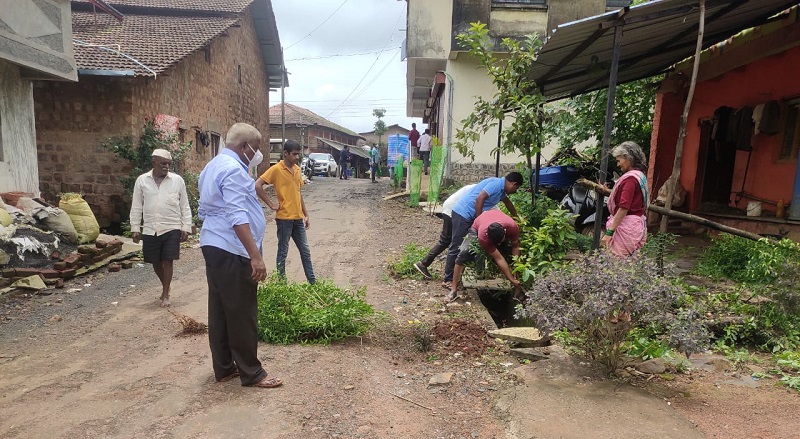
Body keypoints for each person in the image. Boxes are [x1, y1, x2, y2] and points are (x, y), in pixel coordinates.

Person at [198, 122, 282, 388]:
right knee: (242, 311)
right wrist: (255, 256)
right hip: (231, 247)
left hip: (214, 243)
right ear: (245, 146)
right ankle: (252, 372)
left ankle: (224, 367)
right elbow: (237, 215)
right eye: (256, 147)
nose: (257, 153)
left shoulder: (212, 166)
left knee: (221, 309)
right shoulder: (233, 170)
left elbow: (207, 208)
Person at [129, 148, 192, 308]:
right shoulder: (142, 181)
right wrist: (135, 227)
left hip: (172, 226)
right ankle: (166, 285)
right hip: (150, 227)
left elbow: (185, 205)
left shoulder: (177, 181)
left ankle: (165, 293)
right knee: (155, 261)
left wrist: (185, 226)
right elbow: (136, 205)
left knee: (168, 260)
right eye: (163, 163)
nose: (166, 167)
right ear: (154, 163)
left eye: (169, 164)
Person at [443, 172, 523, 290]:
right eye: (516, 188)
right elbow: (480, 198)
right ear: (513, 183)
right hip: (463, 213)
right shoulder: (496, 184)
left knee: (470, 247)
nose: (515, 191)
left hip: (470, 215)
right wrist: (480, 218)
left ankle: (469, 275)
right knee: (457, 246)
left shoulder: (501, 190)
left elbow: (508, 203)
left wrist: (517, 218)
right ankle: (448, 280)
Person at [256, 140, 316, 284]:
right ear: (285, 153)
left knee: (305, 251)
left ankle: (313, 283)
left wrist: (306, 214)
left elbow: (298, 193)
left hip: (298, 218)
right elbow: (257, 185)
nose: (297, 157)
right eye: (294, 154)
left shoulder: (297, 170)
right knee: (283, 252)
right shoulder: (276, 169)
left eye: (298, 154)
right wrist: (271, 204)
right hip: (284, 219)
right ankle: (282, 284)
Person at [445, 209, 522, 303]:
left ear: (505, 231)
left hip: (495, 219)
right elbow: (499, 259)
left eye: (500, 241)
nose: (498, 244)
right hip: (478, 225)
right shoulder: (483, 236)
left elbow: (515, 246)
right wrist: (511, 279)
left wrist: (516, 268)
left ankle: (518, 291)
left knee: (515, 260)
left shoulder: (512, 227)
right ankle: (453, 290)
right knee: (463, 254)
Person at [413, 183, 476, 280]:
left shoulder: (479, 187)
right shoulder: (483, 191)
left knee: (446, 240)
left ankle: (424, 263)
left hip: (450, 208)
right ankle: (444, 274)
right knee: (451, 242)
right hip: (453, 210)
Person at [598, 141, 650, 257]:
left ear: (628, 158)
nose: (618, 165)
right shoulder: (639, 176)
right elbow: (630, 198)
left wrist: (609, 233)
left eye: (619, 160)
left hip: (626, 227)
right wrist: (607, 191)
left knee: (617, 263)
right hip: (636, 225)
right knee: (628, 263)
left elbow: (624, 207)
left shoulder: (630, 180)